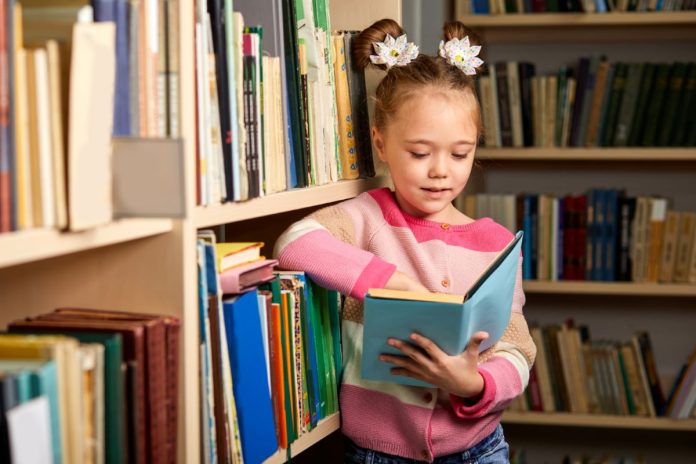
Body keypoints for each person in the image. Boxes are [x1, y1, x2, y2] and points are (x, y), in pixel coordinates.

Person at [274, 18, 536, 464]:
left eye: (460, 153)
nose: (441, 170)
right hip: (378, 452)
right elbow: (294, 242)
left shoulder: (495, 242)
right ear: (380, 143)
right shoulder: (370, 216)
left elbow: (516, 349)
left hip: (478, 448)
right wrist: (393, 283)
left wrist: (473, 384)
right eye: (419, 153)